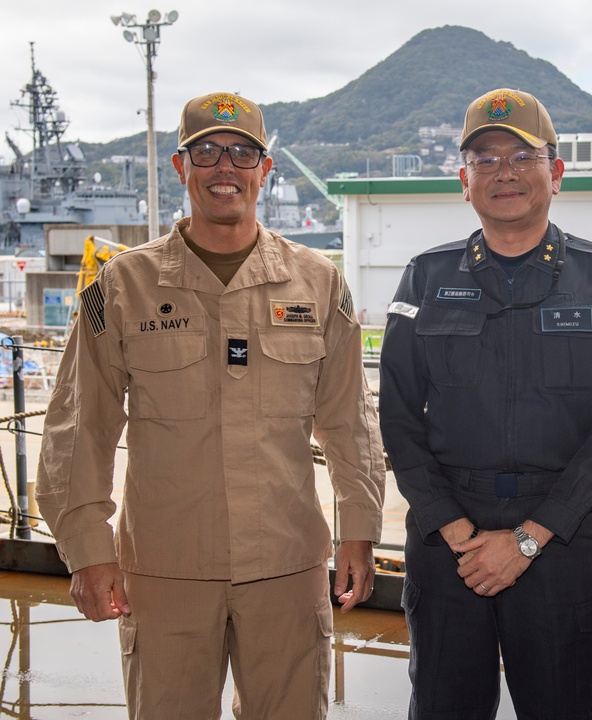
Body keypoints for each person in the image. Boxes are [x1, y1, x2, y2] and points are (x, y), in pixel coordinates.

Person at [35, 91, 386, 720]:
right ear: (181, 166)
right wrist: (88, 549)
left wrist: (359, 527)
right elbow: (77, 426)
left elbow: (348, 419)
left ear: (264, 169)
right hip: (166, 567)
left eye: (242, 152)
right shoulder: (121, 285)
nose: (226, 166)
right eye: (208, 151)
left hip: (285, 562)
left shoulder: (317, 280)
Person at [379, 88, 592, 719]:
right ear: (463, 181)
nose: (504, 171)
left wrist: (529, 539)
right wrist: (455, 528)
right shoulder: (425, 277)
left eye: (523, 155)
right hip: (448, 540)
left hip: (560, 536)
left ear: (556, 173)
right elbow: (396, 413)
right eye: (485, 158)